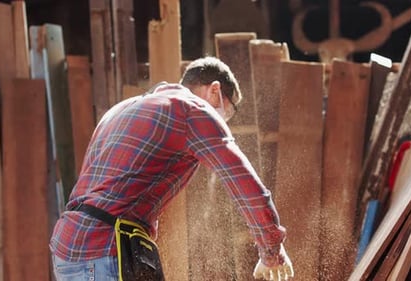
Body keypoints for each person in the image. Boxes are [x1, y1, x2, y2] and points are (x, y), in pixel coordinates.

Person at [49, 56, 294, 281]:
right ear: (215, 90)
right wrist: (271, 249)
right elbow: (242, 181)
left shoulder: (121, 110)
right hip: (104, 249)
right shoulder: (193, 110)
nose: (222, 121)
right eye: (226, 114)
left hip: (68, 248)